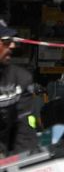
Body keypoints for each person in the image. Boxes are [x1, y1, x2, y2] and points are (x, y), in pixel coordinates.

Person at [0, 21, 39, 156]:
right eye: (6, 41)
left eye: (12, 41)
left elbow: (26, 124)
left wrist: (23, 160)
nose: (12, 45)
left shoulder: (20, 79)